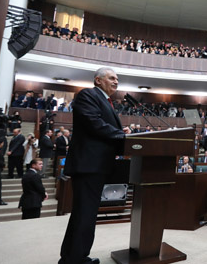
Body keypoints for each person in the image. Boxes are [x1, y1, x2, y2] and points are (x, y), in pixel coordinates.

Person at [59, 67, 131, 264]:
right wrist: (121, 135)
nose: (116, 82)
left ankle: (71, 257)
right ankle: (76, 259)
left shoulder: (106, 101)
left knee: (83, 213)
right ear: (98, 80)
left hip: (95, 165)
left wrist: (119, 131)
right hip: (88, 164)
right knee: (85, 214)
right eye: (112, 78)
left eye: (117, 79)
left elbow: (101, 125)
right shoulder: (88, 95)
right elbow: (93, 122)